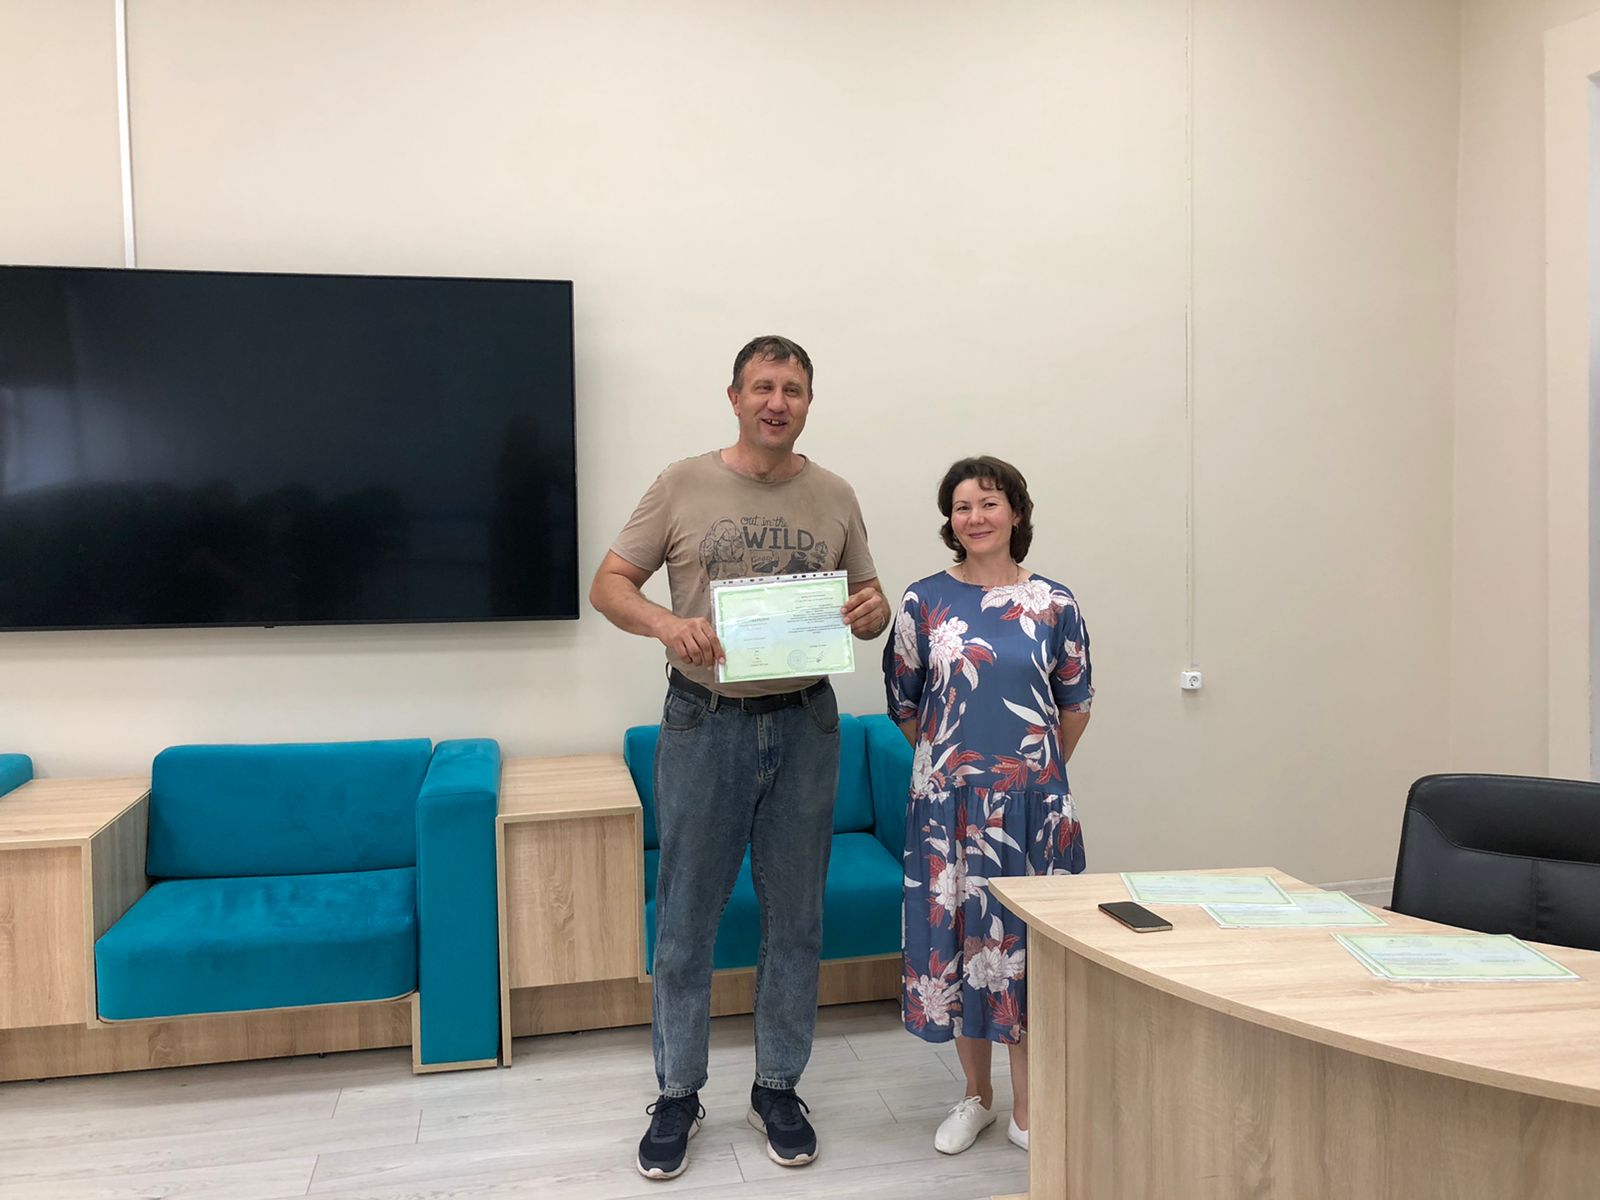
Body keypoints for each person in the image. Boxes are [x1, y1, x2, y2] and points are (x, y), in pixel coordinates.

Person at [590, 334, 890, 1181]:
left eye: (792, 389)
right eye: (763, 386)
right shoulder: (681, 483)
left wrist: (873, 613)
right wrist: (665, 624)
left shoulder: (835, 494)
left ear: (807, 403)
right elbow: (608, 584)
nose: (777, 402)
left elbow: (867, 598)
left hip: (805, 725)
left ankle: (778, 1087)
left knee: (796, 920)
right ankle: (677, 1094)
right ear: (734, 397)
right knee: (686, 919)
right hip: (705, 721)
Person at [883, 455, 1092, 1156]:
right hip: (947, 811)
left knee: (1023, 954)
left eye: (989, 502)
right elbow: (906, 704)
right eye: (962, 506)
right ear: (950, 520)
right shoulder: (923, 601)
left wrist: (1031, 773)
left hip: (1033, 810)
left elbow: (1075, 704)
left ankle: (1029, 1108)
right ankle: (976, 1096)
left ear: (1016, 513)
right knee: (958, 949)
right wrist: (953, 768)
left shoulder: (1055, 603)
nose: (975, 517)